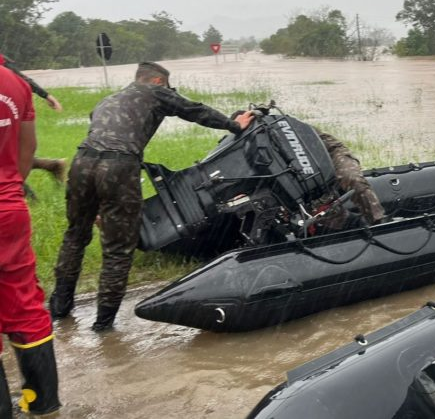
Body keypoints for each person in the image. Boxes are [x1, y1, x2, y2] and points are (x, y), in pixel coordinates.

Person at [50, 62, 255, 331]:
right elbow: (194, 110)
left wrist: (97, 199)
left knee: (75, 236)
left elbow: (100, 128)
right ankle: (103, 325)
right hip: (120, 166)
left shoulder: (108, 99)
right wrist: (234, 125)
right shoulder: (155, 91)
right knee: (118, 250)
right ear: (158, 81)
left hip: (82, 162)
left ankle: (59, 309)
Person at [0, 62, 61, 415]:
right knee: (23, 304)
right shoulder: (15, 83)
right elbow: (28, 146)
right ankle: (43, 404)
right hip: (10, 209)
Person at [0, 53, 66, 185]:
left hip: (9, 111)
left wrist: (46, 95)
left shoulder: (3, 63)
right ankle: (51, 165)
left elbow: (20, 79)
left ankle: (22, 191)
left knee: (13, 153)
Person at [318, 130, 385, 226]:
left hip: (332, 151)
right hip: (309, 169)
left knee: (350, 177)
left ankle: (378, 221)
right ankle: (349, 223)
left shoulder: (292, 127)